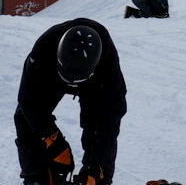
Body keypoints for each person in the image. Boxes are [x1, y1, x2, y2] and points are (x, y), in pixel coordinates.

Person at [14, 18, 127, 185]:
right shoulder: (43, 50)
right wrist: (51, 137)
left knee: (97, 126)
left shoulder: (107, 68)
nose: (71, 85)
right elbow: (29, 101)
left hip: (94, 84)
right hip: (51, 76)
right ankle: (35, 177)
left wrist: (99, 169)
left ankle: (94, 177)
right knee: (25, 119)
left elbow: (109, 121)